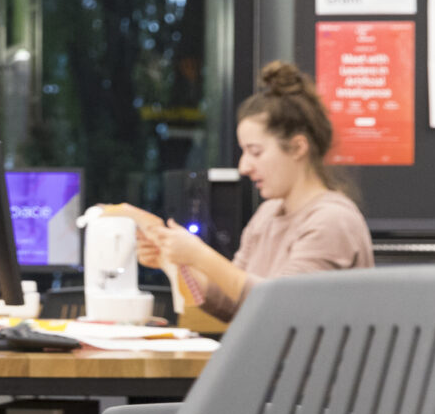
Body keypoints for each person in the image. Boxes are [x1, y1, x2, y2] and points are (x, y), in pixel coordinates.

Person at [99, 61, 373, 322]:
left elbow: (282, 306)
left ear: (298, 147)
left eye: (255, 152)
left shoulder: (332, 221)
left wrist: (201, 255)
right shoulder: (267, 215)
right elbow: (235, 299)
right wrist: (173, 261)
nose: (244, 166)